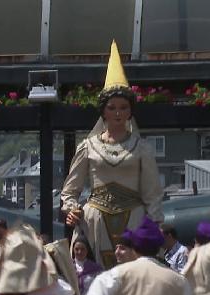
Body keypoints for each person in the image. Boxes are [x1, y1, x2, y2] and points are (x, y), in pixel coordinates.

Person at [61, 42, 163, 270]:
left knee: (133, 270)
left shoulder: (141, 147)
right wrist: (72, 209)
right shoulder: (88, 146)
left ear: (130, 111)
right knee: (97, 271)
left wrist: (155, 224)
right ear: (103, 111)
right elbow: (70, 190)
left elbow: (152, 192)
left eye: (123, 107)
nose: (118, 113)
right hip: (95, 217)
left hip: (134, 216)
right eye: (112, 107)